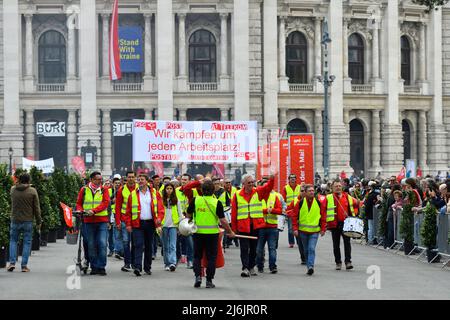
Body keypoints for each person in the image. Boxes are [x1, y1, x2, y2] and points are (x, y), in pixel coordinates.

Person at [186, 179, 235, 288]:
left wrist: (192, 219)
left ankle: (198, 277)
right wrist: (230, 232)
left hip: (198, 232)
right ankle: (209, 280)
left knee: (197, 256)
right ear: (213, 190)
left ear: (202, 190)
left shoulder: (195, 200)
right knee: (211, 257)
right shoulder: (216, 202)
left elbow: (188, 214)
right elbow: (223, 220)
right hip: (212, 234)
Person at [231, 174, 274, 277]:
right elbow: (234, 213)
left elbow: (268, 188)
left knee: (254, 248)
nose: (251, 184)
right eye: (249, 182)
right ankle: (245, 268)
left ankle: (251, 266)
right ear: (243, 184)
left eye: (252, 182)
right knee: (244, 248)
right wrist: (233, 229)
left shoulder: (258, 191)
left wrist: (272, 179)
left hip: (255, 226)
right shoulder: (237, 195)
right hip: (243, 226)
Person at [125, 174, 164, 276]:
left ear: (147, 181)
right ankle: (137, 267)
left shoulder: (155, 193)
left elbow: (160, 208)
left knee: (148, 246)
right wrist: (128, 224)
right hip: (137, 223)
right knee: (138, 244)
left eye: (142, 179)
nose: (140, 181)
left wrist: (159, 218)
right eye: (139, 180)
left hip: (150, 223)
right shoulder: (133, 194)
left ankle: (147, 267)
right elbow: (128, 211)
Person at [76, 171, 110, 276]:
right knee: (91, 244)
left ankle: (101, 266)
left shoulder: (104, 190)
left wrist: (94, 211)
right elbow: (79, 203)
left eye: (101, 179)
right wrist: (80, 210)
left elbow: (105, 203)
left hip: (102, 221)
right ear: (92, 180)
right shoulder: (84, 190)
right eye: (97, 179)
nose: (100, 181)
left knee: (102, 243)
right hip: (88, 221)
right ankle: (94, 267)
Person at [7, 173, 42, 272]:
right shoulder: (32, 191)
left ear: (19, 180)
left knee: (13, 240)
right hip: (28, 220)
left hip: (15, 219)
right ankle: (24, 266)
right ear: (29, 180)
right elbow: (36, 208)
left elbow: (15, 188)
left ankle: (12, 263)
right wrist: (39, 220)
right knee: (27, 242)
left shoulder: (13, 190)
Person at [291, 184, 326, 275]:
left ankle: (310, 266)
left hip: (314, 232)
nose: (312, 192)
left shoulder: (318, 203)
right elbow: (294, 216)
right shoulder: (300, 203)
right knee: (306, 250)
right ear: (305, 193)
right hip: (303, 231)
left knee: (311, 248)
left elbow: (323, 216)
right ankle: (308, 265)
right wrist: (295, 228)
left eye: (312, 191)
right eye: (309, 191)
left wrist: (323, 228)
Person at [324, 180, 359, 270]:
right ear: (332, 188)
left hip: (346, 224)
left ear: (342, 187)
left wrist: (354, 214)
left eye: (339, 186)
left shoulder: (347, 196)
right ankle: (338, 262)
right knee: (336, 245)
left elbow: (356, 204)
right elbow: (322, 210)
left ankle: (348, 262)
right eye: (336, 186)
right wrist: (324, 224)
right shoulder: (328, 197)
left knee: (347, 243)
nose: (338, 187)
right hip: (334, 224)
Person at [256, 187, 282, 274]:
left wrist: (273, 210)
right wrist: (265, 210)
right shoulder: (257, 198)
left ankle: (273, 266)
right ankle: (260, 266)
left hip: (272, 227)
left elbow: (280, 210)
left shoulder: (274, 197)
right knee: (259, 249)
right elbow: (255, 210)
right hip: (261, 227)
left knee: (272, 248)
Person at [114, 171, 137, 271]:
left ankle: (135, 263)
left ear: (135, 178)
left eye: (132, 177)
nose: (131, 179)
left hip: (136, 220)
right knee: (126, 242)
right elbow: (118, 207)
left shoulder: (139, 188)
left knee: (136, 243)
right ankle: (127, 263)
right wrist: (117, 221)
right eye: (129, 177)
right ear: (126, 178)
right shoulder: (121, 190)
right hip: (124, 220)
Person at [161, 183, 183, 271]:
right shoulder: (161, 200)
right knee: (165, 246)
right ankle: (166, 263)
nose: (169, 190)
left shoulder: (176, 200)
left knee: (173, 245)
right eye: (167, 188)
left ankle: (172, 263)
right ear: (165, 190)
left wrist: (179, 225)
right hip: (163, 225)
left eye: (170, 188)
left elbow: (180, 213)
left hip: (173, 225)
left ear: (173, 190)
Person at [176, 174, 194, 269]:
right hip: (179, 219)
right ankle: (176, 259)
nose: (183, 181)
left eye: (186, 180)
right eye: (182, 179)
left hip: (190, 219)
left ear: (190, 181)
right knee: (176, 241)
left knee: (189, 241)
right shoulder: (176, 191)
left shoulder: (193, 191)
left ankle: (190, 260)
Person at [281, 174, 301, 249]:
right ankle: (291, 242)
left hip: (299, 210)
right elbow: (283, 200)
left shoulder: (299, 187)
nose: (292, 179)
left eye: (294, 178)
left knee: (299, 227)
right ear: (288, 179)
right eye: (291, 178)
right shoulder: (285, 188)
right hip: (290, 210)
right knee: (290, 228)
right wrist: (285, 209)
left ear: (296, 179)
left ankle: (299, 242)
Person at [218, 178, 238, 248]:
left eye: (229, 182)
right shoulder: (221, 191)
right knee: (226, 227)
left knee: (232, 226)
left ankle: (235, 240)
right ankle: (226, 242)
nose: (228, 184)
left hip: (232, 210)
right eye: (226, 183)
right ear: (223, 184)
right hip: (224, 212)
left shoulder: (234, 189)